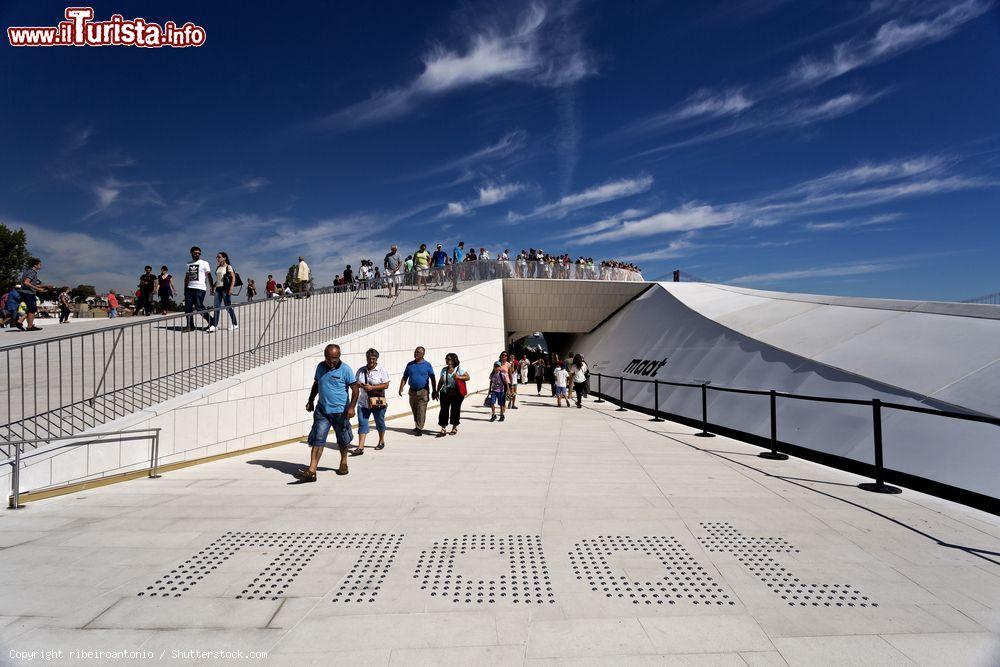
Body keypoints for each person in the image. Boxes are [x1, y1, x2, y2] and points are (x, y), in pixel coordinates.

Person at [295, 344, 358, 481]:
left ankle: (343, 462)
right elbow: (317, 384)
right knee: (318, 439)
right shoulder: (320, 367)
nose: (331, 361)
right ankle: (312, 470)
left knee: (342, 440)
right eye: (328, 358)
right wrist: (310, 400)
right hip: (322, 411)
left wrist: (352, 407)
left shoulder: (345, 370)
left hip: (340, 412)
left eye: (334, 358)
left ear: (339, 356)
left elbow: (356, 389)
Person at [350, 348, 390, 456]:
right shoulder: (361, 370)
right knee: (362, 424)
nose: (371, 361)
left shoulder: (381, 370)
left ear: (376, 359)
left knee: (379, 423)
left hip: (377, 402)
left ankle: (381, 440)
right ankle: (360, 447)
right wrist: (360, 384)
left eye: (373, 359)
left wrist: (372, 387)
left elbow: (386, 385)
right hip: (363, 403)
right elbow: (355, 383)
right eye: (369, 358)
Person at [398, 346, 436, 435]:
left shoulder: (427, 365)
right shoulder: (410, 364)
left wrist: (434, 390)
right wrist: (401, 387)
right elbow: (405, 377)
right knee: (414, 409)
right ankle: (417, 425)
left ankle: (419, 428)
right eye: (415, 352)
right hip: (412, 391)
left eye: (418, 352)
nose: (416, 354)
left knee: (421, 410)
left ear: (423, 354)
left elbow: (432, 378)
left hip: (423, 391)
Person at [434, 352, 469, 437]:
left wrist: (459, 377)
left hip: (457, 393)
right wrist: (437, 391)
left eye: (448, 359)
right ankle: (443, 428)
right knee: (443, 410)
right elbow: (441, 381)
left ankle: (454, 427)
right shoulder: (444, 370)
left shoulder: (458, 369)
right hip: (445, 392)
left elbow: (468, 377)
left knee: (455, 410)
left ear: (453, 360)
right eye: (446, 358)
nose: (447, 360)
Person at [183, 246, 213, 332]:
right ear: (191, 253)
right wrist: (185, 289)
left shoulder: (204, 263)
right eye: (195, 253)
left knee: (199, 307)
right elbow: (187, 277)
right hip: (189, 288)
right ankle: (190, 326)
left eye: (199, 253)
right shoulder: (188, 264)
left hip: (200, 288)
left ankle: (212, 322)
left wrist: (212, 287)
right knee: (188, 308)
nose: (197, 254)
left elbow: (209, 275)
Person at [207, 251, 238, 332]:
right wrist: (212, 287)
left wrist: (231, 289)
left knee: (228, 307)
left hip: (225, 289)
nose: (217, 258)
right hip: (218, 289)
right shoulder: (218, 267)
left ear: (224, 258)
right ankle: (214, 325)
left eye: (219, 257)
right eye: (217, 257)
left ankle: (235, 324)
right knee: (216, 307)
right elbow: (218, 279)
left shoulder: (229, 267)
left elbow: (233, 278)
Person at [19, 257, 50, 331]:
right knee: (32, 309)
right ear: (35, 265)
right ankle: (29, 326)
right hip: (29, 293)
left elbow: (30, 283)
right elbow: (26, 282)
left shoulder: (27, 271)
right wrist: (38, 289)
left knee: (30, 309)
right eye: (39, 264)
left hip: (24, 292)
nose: (41, 265)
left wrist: (44, 286)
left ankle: (20, 321)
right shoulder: (33, 272)